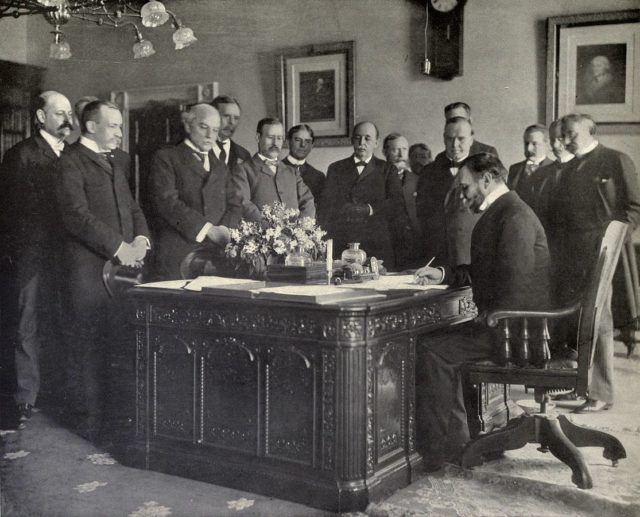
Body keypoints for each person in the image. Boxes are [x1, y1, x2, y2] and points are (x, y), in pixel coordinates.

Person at [414, 153, 551, 470]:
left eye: (465, 188)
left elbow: (516, 286)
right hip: (517, 326)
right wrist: (446, 275)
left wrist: (486, 317)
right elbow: (490, 271)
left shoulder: (513, 217)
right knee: (440, 340)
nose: (463, 196)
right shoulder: (505, 211)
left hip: (518, 334)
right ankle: (458, 438)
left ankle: (435, 453)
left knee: (432, 349)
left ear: (486, 180)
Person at [56, 100, 151, 440]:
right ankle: (88, 422)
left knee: (114, 338)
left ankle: (112, 417)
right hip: (87, 270)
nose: (120, 133)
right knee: (87, 343)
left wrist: (140, 239)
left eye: (121, 126)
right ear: (91, 126)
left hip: (119, 270)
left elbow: (133, 207)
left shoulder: (114, 162)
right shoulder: (70, 162)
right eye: (113, 126)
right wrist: (119, 247)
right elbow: (76, 216)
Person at [552, 113, 640, 413]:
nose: (565, 140)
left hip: (600, 251)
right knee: (579, 321)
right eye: (564, 135)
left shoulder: (616, 160)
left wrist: (612, 243)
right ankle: (582, 387)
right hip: (570, 254)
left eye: (572, 134)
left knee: (599, 320)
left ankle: (602, 392)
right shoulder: (568, 168)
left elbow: (633, 209)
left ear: (591, 132)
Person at [0, 91, 73, 423]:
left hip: (67, 254)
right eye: (59, 113)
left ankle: (57, 391)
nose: (67, 119)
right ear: (41, 117)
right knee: (27, 321)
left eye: (70, 113)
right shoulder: (21, 155)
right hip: (31, 253)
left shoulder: (72, 155)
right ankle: (26, 396)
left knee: (60, 320)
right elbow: (11, 211)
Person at [148, 104, 242, 280]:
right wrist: (208, 230)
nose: (209, 135)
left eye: (215, 130)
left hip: (217, 255)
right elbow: (167, 202)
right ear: (188, 125)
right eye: (203, 127)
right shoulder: (166, 158)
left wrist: (224, 230)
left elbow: (235, 204)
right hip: (178, 255)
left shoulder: (220, 166)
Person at [318, 121, 410, 269]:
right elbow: (326, 207)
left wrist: (369, 209)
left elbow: (396, 204)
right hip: (343, 244)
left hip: (377, 245)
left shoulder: (387, 170)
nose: (362, 143)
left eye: (367, 138)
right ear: (352, 140)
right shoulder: (336, 168)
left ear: (376, 142)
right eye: (357, 138)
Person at [415, 117, 482, 268]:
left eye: (461, 139)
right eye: (450, 139)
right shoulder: (428, 172)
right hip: (438, 251)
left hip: (472, 250)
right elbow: (423, 215)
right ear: (444, 139)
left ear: (471, 139)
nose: (455, 145)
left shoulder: (483, 170)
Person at [232, 117, 315, 222]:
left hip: (294, 235)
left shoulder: (292, 172)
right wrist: (271, 229)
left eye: (279, 138)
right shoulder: (243, 169)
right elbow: (243, 203)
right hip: (261, 234)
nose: (275, 143)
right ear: (258, 137)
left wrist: (299, 228)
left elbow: (308, 201)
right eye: (270, 137)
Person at [383, 133, 424, 268]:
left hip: (413, 245)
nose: (401, 154)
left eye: (404, 149)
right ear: (385, 152)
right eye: (395, 150)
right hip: (387, 243)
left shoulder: (416, 179)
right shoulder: (377, 178)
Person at [507, 124, 554, 209]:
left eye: (534, 144)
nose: (529, 148)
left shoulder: (554, 168)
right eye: (526, 143)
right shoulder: (514, 169)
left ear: (546, 144)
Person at [282, 124, 325, 207]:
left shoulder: (318, 176)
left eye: (307, 141)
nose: (303, 145)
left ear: (312, 145)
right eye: (298, 140)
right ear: (288, 142)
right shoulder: (275, 169)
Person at [210, 95, 251, 170]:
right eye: (226, 116)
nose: (231, 122)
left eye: (236, 118)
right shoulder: (198, 151)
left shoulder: (243, 155)